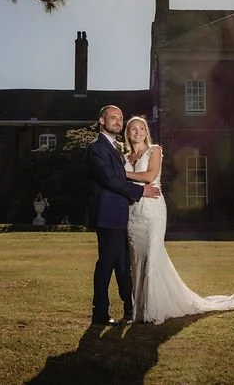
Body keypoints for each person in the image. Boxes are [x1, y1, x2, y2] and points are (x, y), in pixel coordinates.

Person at [122, 115, 234, 324]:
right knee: (137, 261)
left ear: (146, 131)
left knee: (152, 256)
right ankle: (138, 310)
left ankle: (152, 310)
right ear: (127, 133)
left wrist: (122, 175)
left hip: (152, 211)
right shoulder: (126, 158)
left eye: (141, 128)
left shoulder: (154, 150)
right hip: (133, 212)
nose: (137, 132)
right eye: (133, 129)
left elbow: (150, 176)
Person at [86, 105, 161, 326]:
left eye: (120, 118)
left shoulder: (117, 148)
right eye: (112, 117)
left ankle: (130, 308)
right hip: (107, 214)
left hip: (123, 215)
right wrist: (140, 191)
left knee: (122, 265)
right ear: (101, 120)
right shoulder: (97, 148)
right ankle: (99, 312)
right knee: (106, 263)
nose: (118, 121)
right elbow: (110, 179)